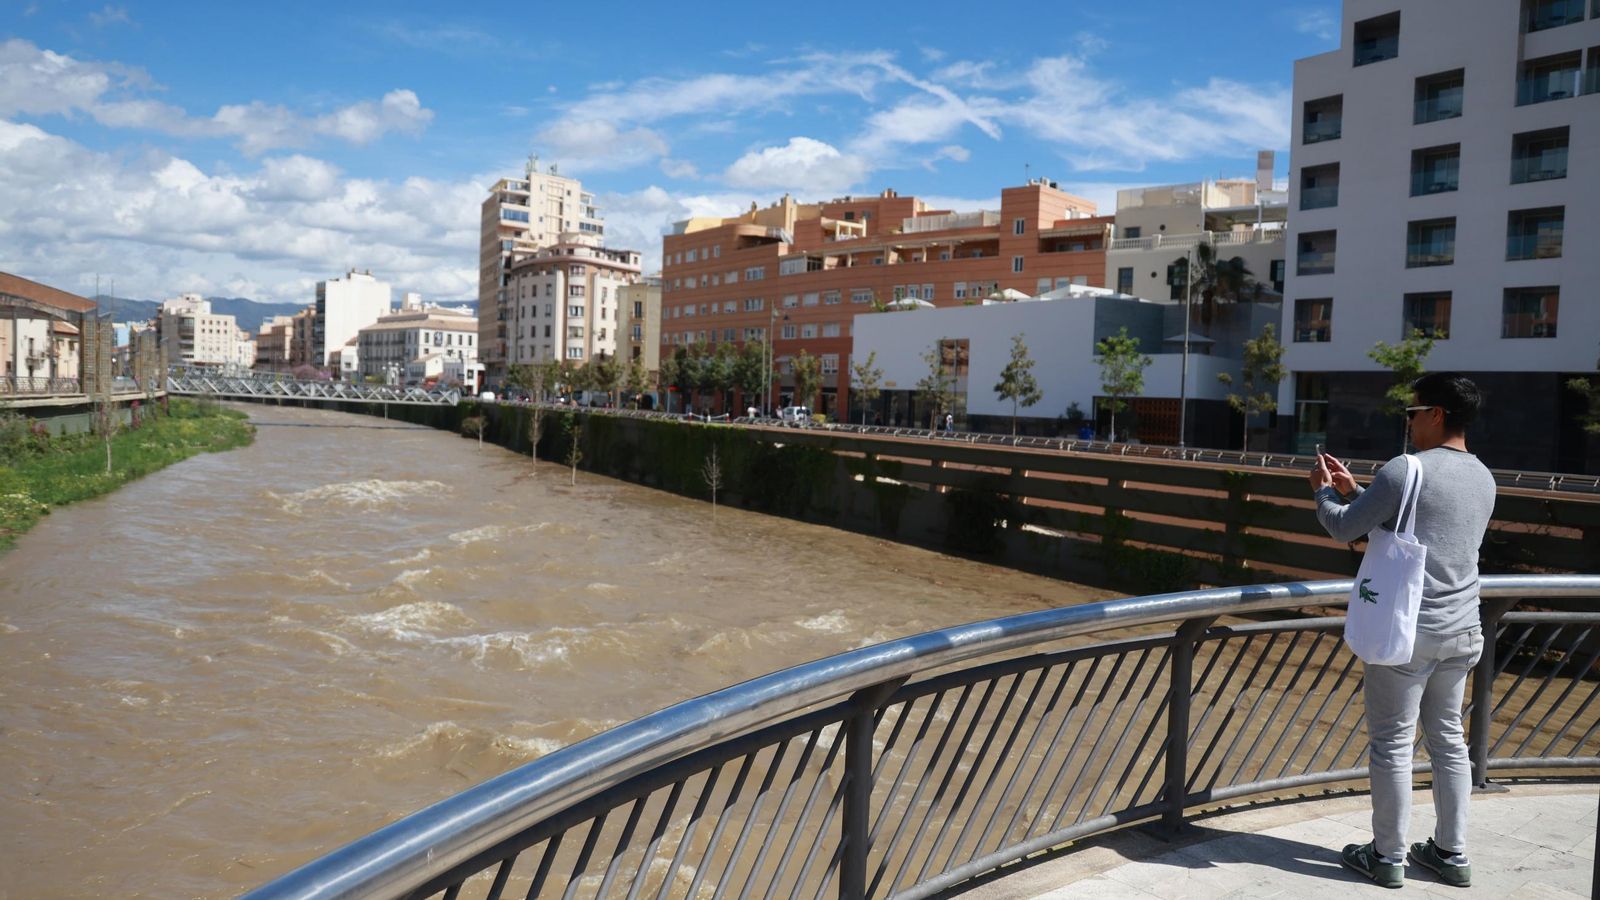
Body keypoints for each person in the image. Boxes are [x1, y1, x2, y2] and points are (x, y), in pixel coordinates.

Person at [1309, 373, 1496, 889]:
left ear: (1436, 414)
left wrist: (1324, 494)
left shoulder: (1405, 468)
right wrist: (1358, 492)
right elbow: (1422, 529)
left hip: (1408, 633)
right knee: (1449, 742)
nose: (1409, 422)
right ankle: (1451, 854)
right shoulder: (1484, 477)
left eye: (1412, 412)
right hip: (1463, 629)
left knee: (1392, 745)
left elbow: (1344, 527)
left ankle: (1387, 857)